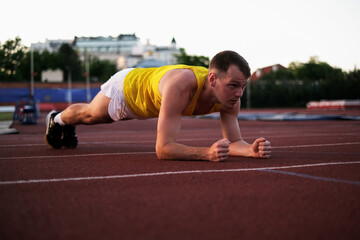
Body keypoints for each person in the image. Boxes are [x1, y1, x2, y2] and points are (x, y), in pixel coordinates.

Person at [45, 50, 271, 162]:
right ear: (212, 80)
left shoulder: (231, 99)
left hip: (151, 99)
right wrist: (205, 153)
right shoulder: (181, 86)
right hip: (129, 90)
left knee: (92, 116)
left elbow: (234, 142)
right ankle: (57, 119)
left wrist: (250, 150)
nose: (239, 93)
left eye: (243, 87)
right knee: (90, 115)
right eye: (233, 85)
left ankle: (61, 120)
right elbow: (163, 149)